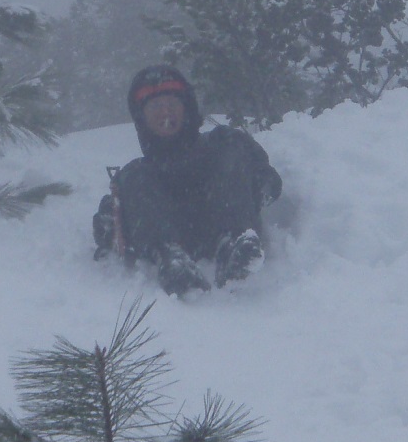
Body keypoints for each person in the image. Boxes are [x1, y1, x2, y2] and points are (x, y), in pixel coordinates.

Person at [92, 65, 282, 294]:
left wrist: (256, 190)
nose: (165, 113)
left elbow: (268, 180)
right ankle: (171, 259)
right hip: (171, 238)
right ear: (142, 119)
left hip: (227, 224)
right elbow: (110, 219)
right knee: (134, 175)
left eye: (171, 105)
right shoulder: (137, 174)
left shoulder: (223, 143)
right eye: (155, 108)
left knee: (230, 148)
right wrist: (109, 223)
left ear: (187, 109)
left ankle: (235, 245)